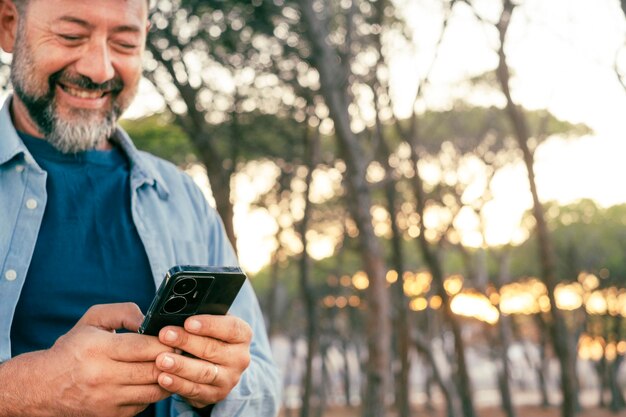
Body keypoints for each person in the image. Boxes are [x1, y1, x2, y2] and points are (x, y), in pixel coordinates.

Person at [0, 0, 281, 416]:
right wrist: (25, 391)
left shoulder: (183, 197)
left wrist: (221, 387)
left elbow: (264, 390)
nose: (100, 69)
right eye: (71, 36)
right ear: (9, 25)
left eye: (125, 43)